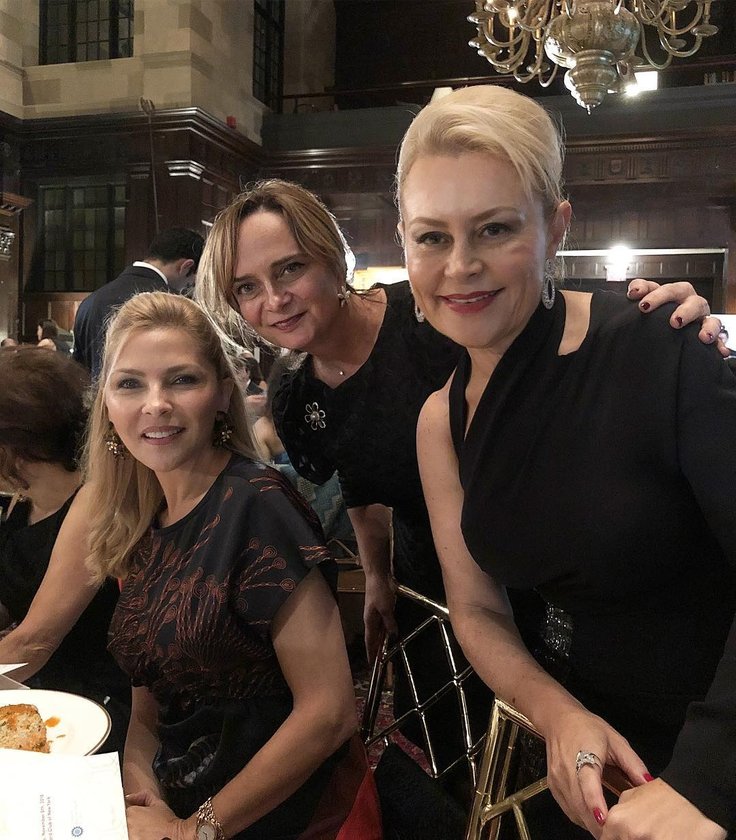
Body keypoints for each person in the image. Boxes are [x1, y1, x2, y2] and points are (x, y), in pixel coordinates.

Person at [194, 179, 722, 785]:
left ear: (333, 258)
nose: (274, 299)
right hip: (433, 576)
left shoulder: (431, 314)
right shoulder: (295, 395)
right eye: (247, 288)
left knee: (572, 752)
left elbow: (552, 330)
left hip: (531, 549)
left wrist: (645, 316)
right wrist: (377, 576)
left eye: (290, 268)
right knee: (460, 754)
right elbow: (360, 484)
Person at [405, 86, 735, 840]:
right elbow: (478, 609)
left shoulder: (656, 345)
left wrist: (706, 782)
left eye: (495, 228)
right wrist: (556, 714)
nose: (460, 265)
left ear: (556, 227)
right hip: (578, 742)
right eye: (431, 237)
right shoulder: (439, 420)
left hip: (707, 740)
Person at [83, 291, 380, 840]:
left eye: (181, 380)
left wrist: (192, 831)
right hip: (180, 802)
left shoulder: (258, 504)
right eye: (130, 384)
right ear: (106, 403)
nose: (156, 404)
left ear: (223, 394)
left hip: (285, 818)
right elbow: (148, 710)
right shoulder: (140, 523)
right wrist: (141, 791)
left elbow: (330, 712)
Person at [0, 348, 129, 751]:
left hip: (90, 708)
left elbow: (33, 644)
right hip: (40, 693)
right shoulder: (20, 498)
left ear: (19, 444)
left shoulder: (93, 500)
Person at [72, 227, 204, 380]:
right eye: (192, 281)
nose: (189, 287)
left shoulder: (89, 303)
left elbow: (78, 372)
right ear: (186, 266)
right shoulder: (177, 305)